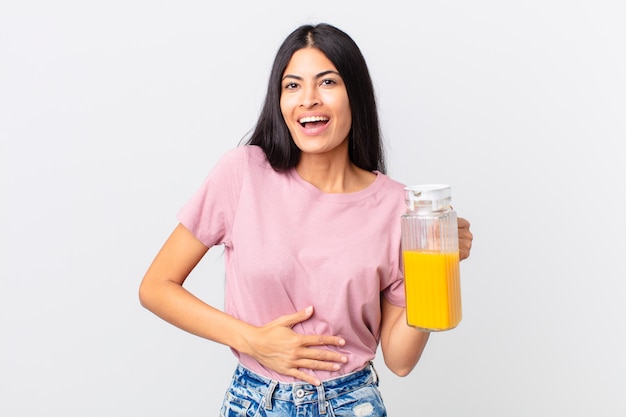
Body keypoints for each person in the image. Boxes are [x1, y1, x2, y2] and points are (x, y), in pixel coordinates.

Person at [139, 22, 473, 416]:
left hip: (352, 404)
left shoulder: (398, 207)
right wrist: (252, 340)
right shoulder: (243, 173)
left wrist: (437, 263)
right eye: (292, 85)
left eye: (327, 82)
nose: (308, 99)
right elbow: (156, 287)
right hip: (255, 402)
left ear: (355, 95)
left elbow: (400, 361)